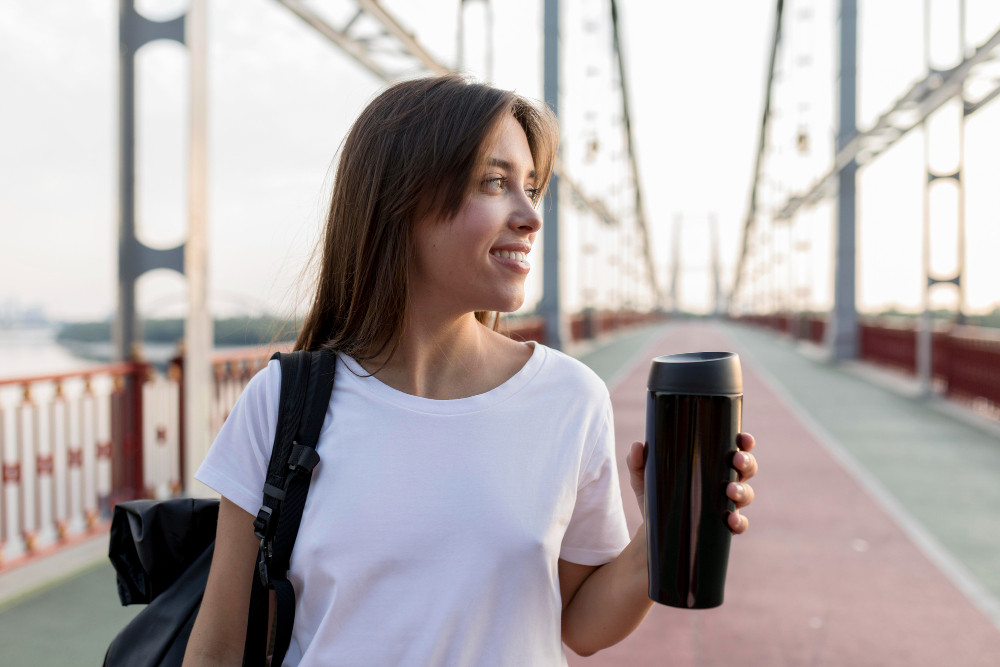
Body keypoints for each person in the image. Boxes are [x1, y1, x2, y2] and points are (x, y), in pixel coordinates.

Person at [183, 74, 758, 666]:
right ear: (399, 201)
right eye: (495, 183)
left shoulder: (568, 397)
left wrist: (657, 534)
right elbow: (220, 648)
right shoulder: (283, 402)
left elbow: (582, 625)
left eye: (531, 188)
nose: (530, 216)